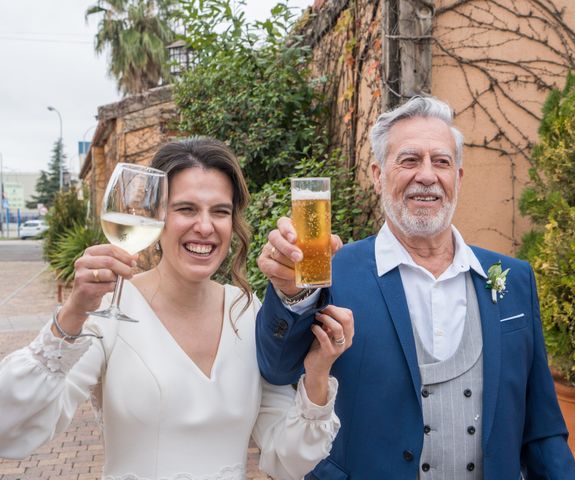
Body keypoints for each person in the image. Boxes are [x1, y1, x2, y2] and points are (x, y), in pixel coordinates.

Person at [255, 96, 575, 479]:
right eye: (409, 160)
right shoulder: (331, 272)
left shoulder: (514, 278)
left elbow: (542, 429)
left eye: (441, 162)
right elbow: (276, 369)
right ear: (377, 175)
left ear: (457, 178)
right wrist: (291, 293)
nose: (427, 175)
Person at [0, 138, 354, 480]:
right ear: (157, 218)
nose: (205, 226)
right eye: (186, 209)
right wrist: (75, 311)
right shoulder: (111, 310)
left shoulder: (246, 310)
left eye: (220, 211)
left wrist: (317, 372)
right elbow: (9, 427)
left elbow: (288, 459)